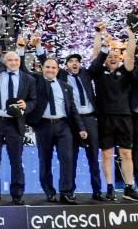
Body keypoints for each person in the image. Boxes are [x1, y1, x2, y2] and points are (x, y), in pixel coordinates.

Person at [35, 39, 105, 200]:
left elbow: (99, 60)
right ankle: (67, 191)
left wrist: (103, 43)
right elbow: (46, 64)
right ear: (64, 66)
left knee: (93, 156)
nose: (75, 64)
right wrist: (38, 47)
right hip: (68, 122)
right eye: (71, 61)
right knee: (68, 157)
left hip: (87, 119)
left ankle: (96, 191)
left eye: (77, 61)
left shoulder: (87, 74)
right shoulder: (61, 76)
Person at [0, 19, 36, 204]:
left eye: (16, 60)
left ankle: (17, 194)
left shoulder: (28, 79)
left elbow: (33, 100)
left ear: (20, 61)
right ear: (4, 61)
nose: (13, 62)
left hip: (15, 122)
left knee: (16, 160)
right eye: (10, 60)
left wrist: (26, 106)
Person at [27, 56, 87, 204]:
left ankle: (66, 193)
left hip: (63, 126)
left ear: (58, 70)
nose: (50, 70)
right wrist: (22, 50)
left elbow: (73, 109)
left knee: (67, 159)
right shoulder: (36, 82)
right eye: (47, 67)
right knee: (45, 160)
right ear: (42, 69)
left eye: (53, 68)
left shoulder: (66, 87)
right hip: (43, 126)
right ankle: (49, 192)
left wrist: (81, 128)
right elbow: (22, 69)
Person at [90, 23, 137, 201]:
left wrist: (132, 35)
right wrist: (99, 34)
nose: (113, 58)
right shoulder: (99, 72)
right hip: (104, 117)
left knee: (126, 153)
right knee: (107, 154)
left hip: (125, 117)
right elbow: (95, 55)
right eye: (109, 56)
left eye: (116, 55)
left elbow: (131, 56)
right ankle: (109, 187)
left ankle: (129, 187)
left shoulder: (126, 71)